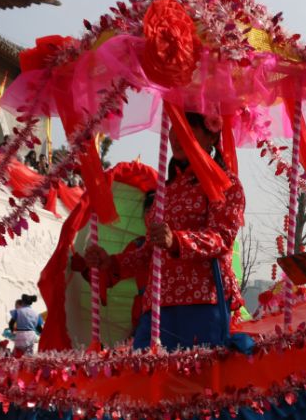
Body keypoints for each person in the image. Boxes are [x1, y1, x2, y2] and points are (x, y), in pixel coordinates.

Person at [86, 111, 245, 351]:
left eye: (189, 132)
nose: (177, 138)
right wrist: (111, 262)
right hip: (157, 304)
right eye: (175, 129)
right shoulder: (164, 191)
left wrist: (176, 241)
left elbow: (222, 238)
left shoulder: (224, 184)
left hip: (202, 300)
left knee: (197, 382)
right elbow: (151, 252)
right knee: (146, 380)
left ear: (212, 138)